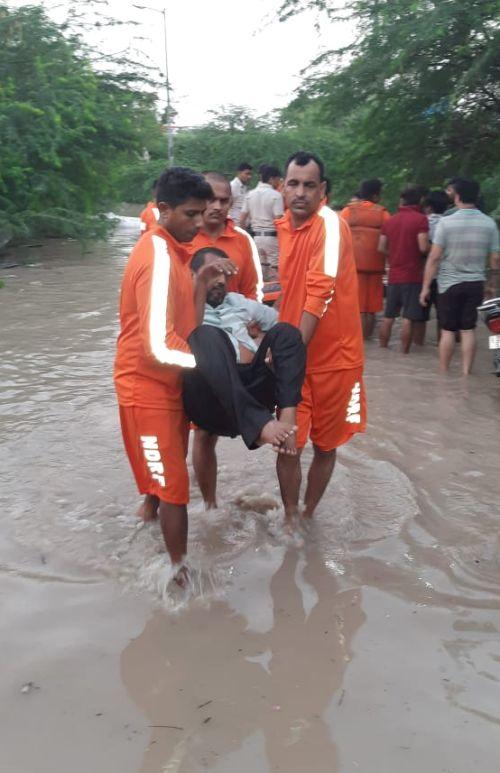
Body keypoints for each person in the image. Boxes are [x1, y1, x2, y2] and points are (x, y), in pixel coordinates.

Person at [113, 167, 286, 587]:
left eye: (205, 211)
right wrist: (213, 369)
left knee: (169, 484)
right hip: (146, 388)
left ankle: (171, 563)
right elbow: (159, 345)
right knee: (173, 490)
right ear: (164, 209)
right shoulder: (155, 255)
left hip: (170, 385)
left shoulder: (175, 252)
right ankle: (178, 577)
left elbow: (187, 327)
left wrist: (201, 282)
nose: (200, 222)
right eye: (192, 214)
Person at [275, 151, 366, 526]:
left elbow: (321, 290)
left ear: (322, 189)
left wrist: (291, 353)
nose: (300, 193)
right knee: (287, 444)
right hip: (294, 360)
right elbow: (290, 289)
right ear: (282, 187)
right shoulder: (283, 228)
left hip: (335, 362)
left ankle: (309, 514)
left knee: (325, 446)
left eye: (309, 185)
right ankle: (291, 517)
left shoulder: (329, 223)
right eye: (293, 184)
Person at [183, 247, 306, 509]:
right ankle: (210, 506)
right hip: (212, 392)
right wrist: (198, 287)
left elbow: (281, 322)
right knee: (206, 336)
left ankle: (287, 417)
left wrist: (262, 339)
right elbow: (190, 334)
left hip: (252, 385)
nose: (219, 281)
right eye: (212, 273)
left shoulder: (239, 302)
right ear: (196, 276)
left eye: (223, 274)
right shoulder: (184, 305)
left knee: (286, 333)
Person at [420, 178, 500, 375]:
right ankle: (465, 374)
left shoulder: (446, 223)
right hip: (475, 283)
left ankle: (444, 373)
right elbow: (495, 260)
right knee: (468, 329)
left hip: (448, 284)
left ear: (456, 196)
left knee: (448, 330)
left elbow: (434, 258)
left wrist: (425, 287)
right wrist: (492, 286)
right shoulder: (489, 224)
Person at [190, 172, 263, 300]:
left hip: (236, 318)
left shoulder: (242, 239)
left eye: (223, 201)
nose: (217, 207)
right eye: (211, 200)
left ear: (231, 202)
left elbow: (252, 292)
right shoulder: (183, 237)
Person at [378, 187, 430, 352]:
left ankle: (382, 350)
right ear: (420, 200)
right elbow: (423, 247)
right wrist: (435, 250)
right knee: (408, 318)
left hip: (394, 275)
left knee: (388, 316)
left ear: (402, 200)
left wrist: (393, 255)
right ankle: (404, 353)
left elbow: (380, 247)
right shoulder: (421, 219)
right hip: (413, 276)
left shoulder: (390, 221)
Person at [341, 179, 390, 339]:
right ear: (376, 195)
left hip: (353, 266)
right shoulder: (383, 214)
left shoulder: (348, 212)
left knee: (358, 307)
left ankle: (360, 342)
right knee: (372, 308)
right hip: (375, 268)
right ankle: (368, 338)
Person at [240, 165, 284, 281]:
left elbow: (242, 219)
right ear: (271, 179)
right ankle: (273, 298)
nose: (279, 183)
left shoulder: (250, 194)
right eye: (278, 180)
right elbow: (279, 220)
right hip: (272, 238)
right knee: (274, 271)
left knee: (259, 272)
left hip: (256, 238)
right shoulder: (276, 196)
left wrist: (245, 236)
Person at [423, 190, 451, 341]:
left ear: (428, 207)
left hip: (425, 274)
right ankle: (443, 345)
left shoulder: (423, 222)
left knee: (419, 317)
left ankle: (417, 346)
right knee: (445, 318)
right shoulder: (450, 223)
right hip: (446, 276)